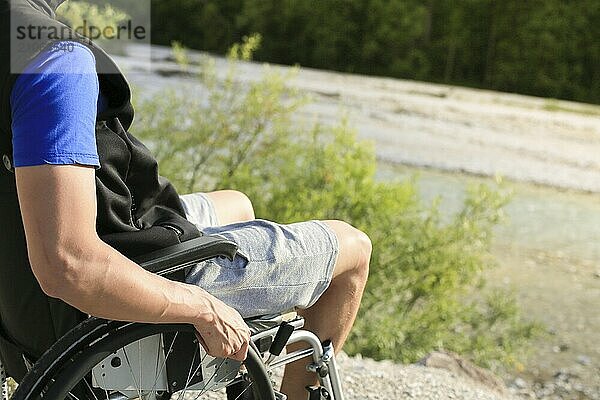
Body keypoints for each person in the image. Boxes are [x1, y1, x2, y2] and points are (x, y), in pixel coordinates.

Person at [0, 1, 370, 398]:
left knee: (237, 204)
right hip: (105, 293)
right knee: (352, 249)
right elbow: (68, 265)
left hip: (19, 302)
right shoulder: (55, 62)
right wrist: (199, 307)